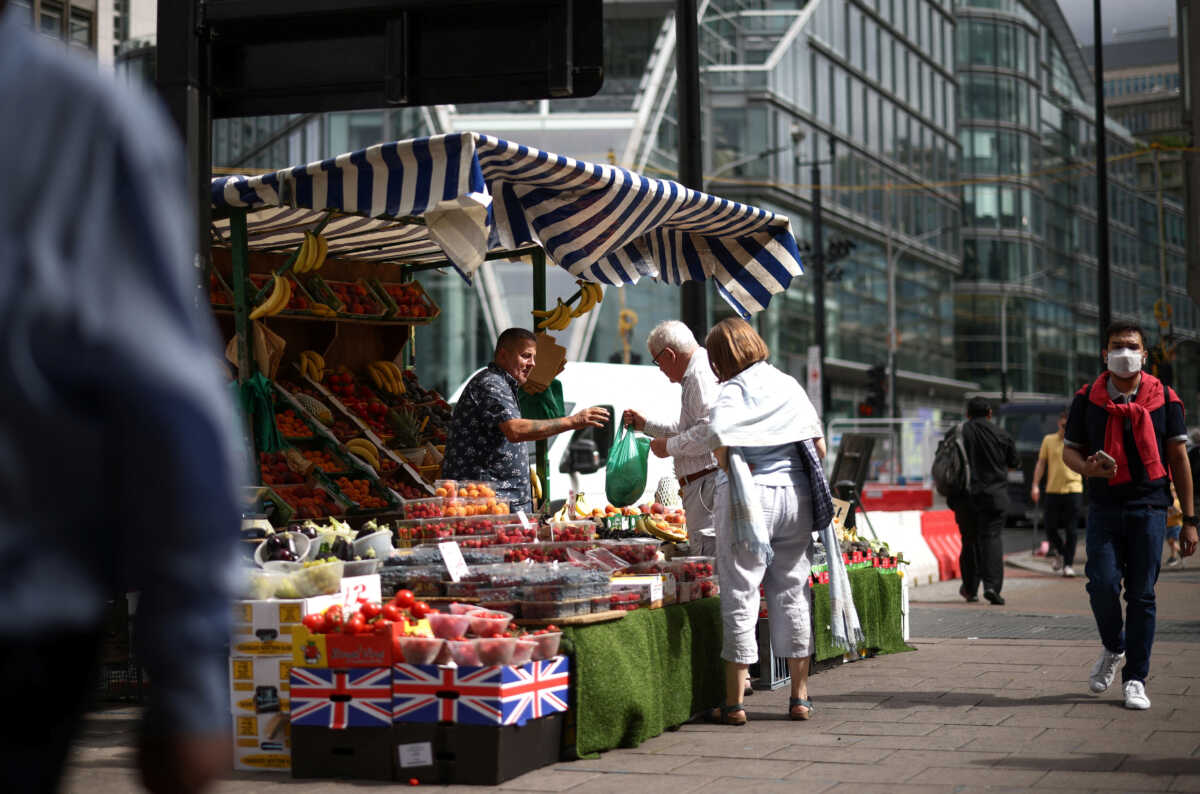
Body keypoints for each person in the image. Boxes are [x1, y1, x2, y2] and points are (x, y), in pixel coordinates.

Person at [0, 5, 248, 791]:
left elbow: (170, 413)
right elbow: (173, 411)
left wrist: (188, 682)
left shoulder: (76, 115)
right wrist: (191, 684)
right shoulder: (74, 116)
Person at [694, 318, 847, 726]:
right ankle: (799, 697)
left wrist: (733, 469)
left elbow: (716, 434)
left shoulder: (731, 391)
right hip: (796, 496)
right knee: (793, 591)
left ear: (720, 360)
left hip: (749, 499)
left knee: (741, 592)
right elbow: (816, 445)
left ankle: (735, 703)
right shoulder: (787, 385)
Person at [1063, 321, 1197, 710]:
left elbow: (1178, 459)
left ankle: (1135, 678)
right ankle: (1114, 646)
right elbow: (1069, 450)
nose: (1125, 352)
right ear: (1105, 354)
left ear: (1144, 354)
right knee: (1101, 583)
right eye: (1117, 346)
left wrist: (1190, 521)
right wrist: (1086, 468)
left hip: (1151, 506)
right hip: (1104, 506)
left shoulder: (1165, 399)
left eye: (1132, 345)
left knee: (1141, 595)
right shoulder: (1087, 398)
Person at [442, 328, 608, 514]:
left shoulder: (503, 384)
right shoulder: (491, 384)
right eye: (525, 356)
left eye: (534, 358)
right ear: (503, 355)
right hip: (487, 505)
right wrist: (573, 421)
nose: (532, 364)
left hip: (499, 503)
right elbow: (515, 430)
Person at [621, 321, 721, 556]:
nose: (660, 368)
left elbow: (709, 431)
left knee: (710, 561)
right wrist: (647, 426)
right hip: (703, 485)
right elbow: (690, 427)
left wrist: (669, 447)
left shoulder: (698, 375)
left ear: (670, 354)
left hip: (707, 483)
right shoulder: (696, 373)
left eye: (657, 361)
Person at [949, 397, 1020, 606]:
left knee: (969, 540)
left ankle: (970, 589)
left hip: (964, 496)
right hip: (993, 496)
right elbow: (1014, 464)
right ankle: (991, 587)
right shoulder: (1002, 434)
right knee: (991, 539)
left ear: (967, 414)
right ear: (990, 413)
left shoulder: (958, 432)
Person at [1031, 410, 1084, 577]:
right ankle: (1061, 552)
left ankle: (1068, 564)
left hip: (1073, 489)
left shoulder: (1079, 441)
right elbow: (1041, 464)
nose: (1065, 425)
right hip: (1053, 489)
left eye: (1068, 422)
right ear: (1058, 423)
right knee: (1050, 527)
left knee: (1071, 529)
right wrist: (1035, 485)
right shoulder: (1049, 440)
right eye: (1063, 421)